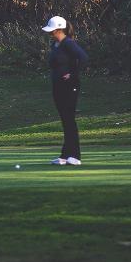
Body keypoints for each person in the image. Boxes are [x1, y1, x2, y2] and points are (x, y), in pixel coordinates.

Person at [41, 15, 89, 166]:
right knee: (65, 120)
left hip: (70, 86)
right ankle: (65, 155)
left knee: (69, 120)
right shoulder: (55, 45)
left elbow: (83, 58)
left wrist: (72, 74)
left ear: (59, 30)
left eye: (52, 30)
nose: (50, 33)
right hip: (58, 86)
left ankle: (75, 156)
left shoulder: (68, 43)